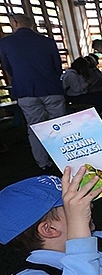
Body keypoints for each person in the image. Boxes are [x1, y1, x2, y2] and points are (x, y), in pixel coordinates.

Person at [0, 14, 66, 173]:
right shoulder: (47, 41)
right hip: (51, 88)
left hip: (25, 90)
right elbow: (57, 66)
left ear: (14, 23)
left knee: (35, 127)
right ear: (32, 24)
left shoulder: (5, 43)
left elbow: (8, 68)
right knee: (61, 126)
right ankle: (65, 159)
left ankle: (43, 163)